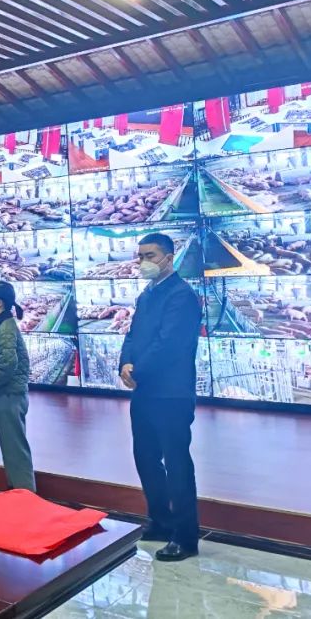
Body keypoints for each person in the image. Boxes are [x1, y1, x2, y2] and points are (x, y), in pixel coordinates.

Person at [119, 233, 203, 563]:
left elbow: (169, 345)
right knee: (145, 457)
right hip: (145, 392)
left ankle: (185, 536)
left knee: (176, 462)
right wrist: (125, 363)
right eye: (140, 256)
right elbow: (132, 335)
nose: (143, 262)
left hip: (171, 393)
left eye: (150, 255)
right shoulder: (147, 294)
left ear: (169, 257)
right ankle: (160, 520)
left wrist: (137, 371)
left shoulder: (182, 296)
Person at [0, 281, 35, 491]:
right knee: (11, 446)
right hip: (7, 394)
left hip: (8, 394)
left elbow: (8, 363)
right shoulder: (2, 325)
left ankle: (25, 495)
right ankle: (16, 491)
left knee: (15, 449)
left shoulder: (6, 328)